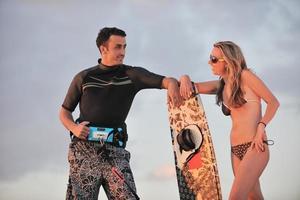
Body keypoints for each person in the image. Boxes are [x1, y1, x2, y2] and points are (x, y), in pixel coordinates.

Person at [59, 27, 182, 200]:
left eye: (124, 47)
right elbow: (64, 111)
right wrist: (74, 127)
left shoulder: (132, 74)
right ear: (103, 49)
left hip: (115, 151)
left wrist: (173, 85)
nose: (123, 52)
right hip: (83, 151)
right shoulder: (84, 77)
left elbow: (165, 80)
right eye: (118, 47)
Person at [179, 41, 279, 200]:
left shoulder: (246, 76)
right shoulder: (221, 85)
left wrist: (261, 127)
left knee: (236, 197)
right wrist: (184, 77)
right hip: (235, 151)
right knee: (254, 197)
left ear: (228, 61)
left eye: (213, 59)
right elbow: (192, 87)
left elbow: (273, 102)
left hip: (255, 146)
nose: (209, 62)